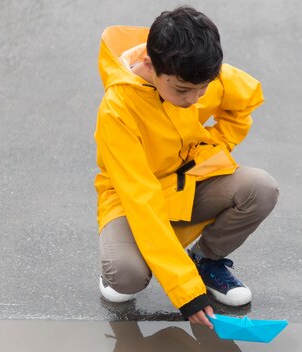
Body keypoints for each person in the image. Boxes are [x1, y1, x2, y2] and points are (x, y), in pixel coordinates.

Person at [94, 6, 279, 329]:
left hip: (187, 181)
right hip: (130, 201)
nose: (194, 99)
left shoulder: (196, 69)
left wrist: (208, 150)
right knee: (126, 278)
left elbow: (243, 103)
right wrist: (186, 293)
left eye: (203, 89)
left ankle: (205, 260)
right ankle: (152, 263)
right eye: (182, 90)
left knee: (260, 188)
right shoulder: (117, 110)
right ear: (151, 65)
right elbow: (141, 198)